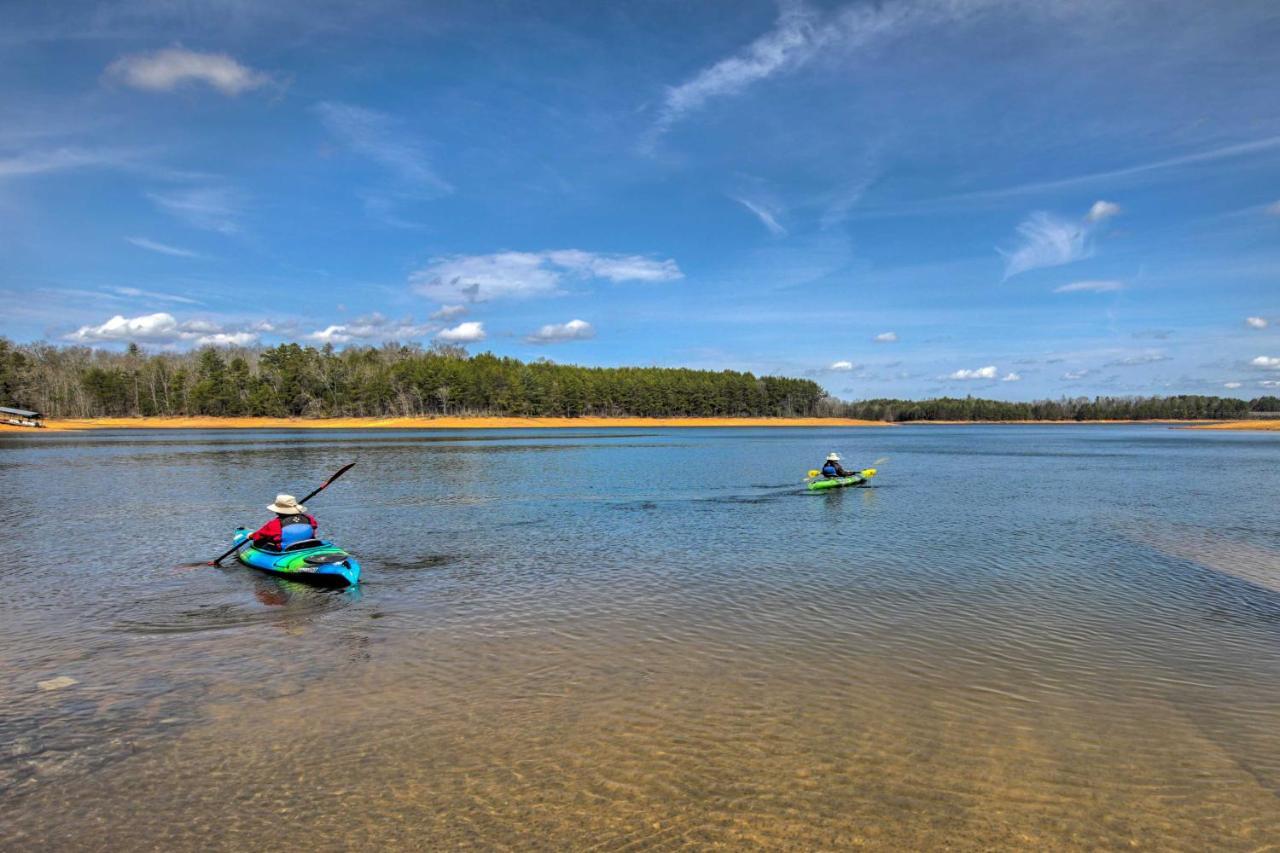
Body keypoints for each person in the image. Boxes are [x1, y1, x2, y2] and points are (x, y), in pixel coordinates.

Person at [249, 494, 318, 551]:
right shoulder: (309, 518)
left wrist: (250, 536)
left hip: (286, 550)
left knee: (259, 542)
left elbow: (259, 535)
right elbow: (314, 527)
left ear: (277, 511)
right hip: (307, 546)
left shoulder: (275, 524)